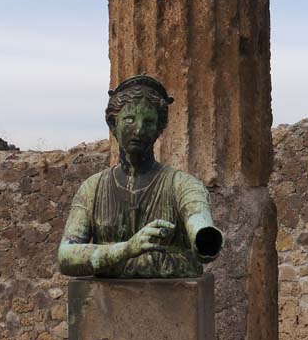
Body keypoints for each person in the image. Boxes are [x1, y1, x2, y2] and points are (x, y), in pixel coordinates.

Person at [58, 74, 223, 278]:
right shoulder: (92, 188)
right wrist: (127, 249)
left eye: (148, 121)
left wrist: (203, 236)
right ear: (113, 125)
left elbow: (200, 224)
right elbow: (66, 256)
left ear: (158, 129)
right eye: (129, 119)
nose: (138, 129)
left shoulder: (183, 185)